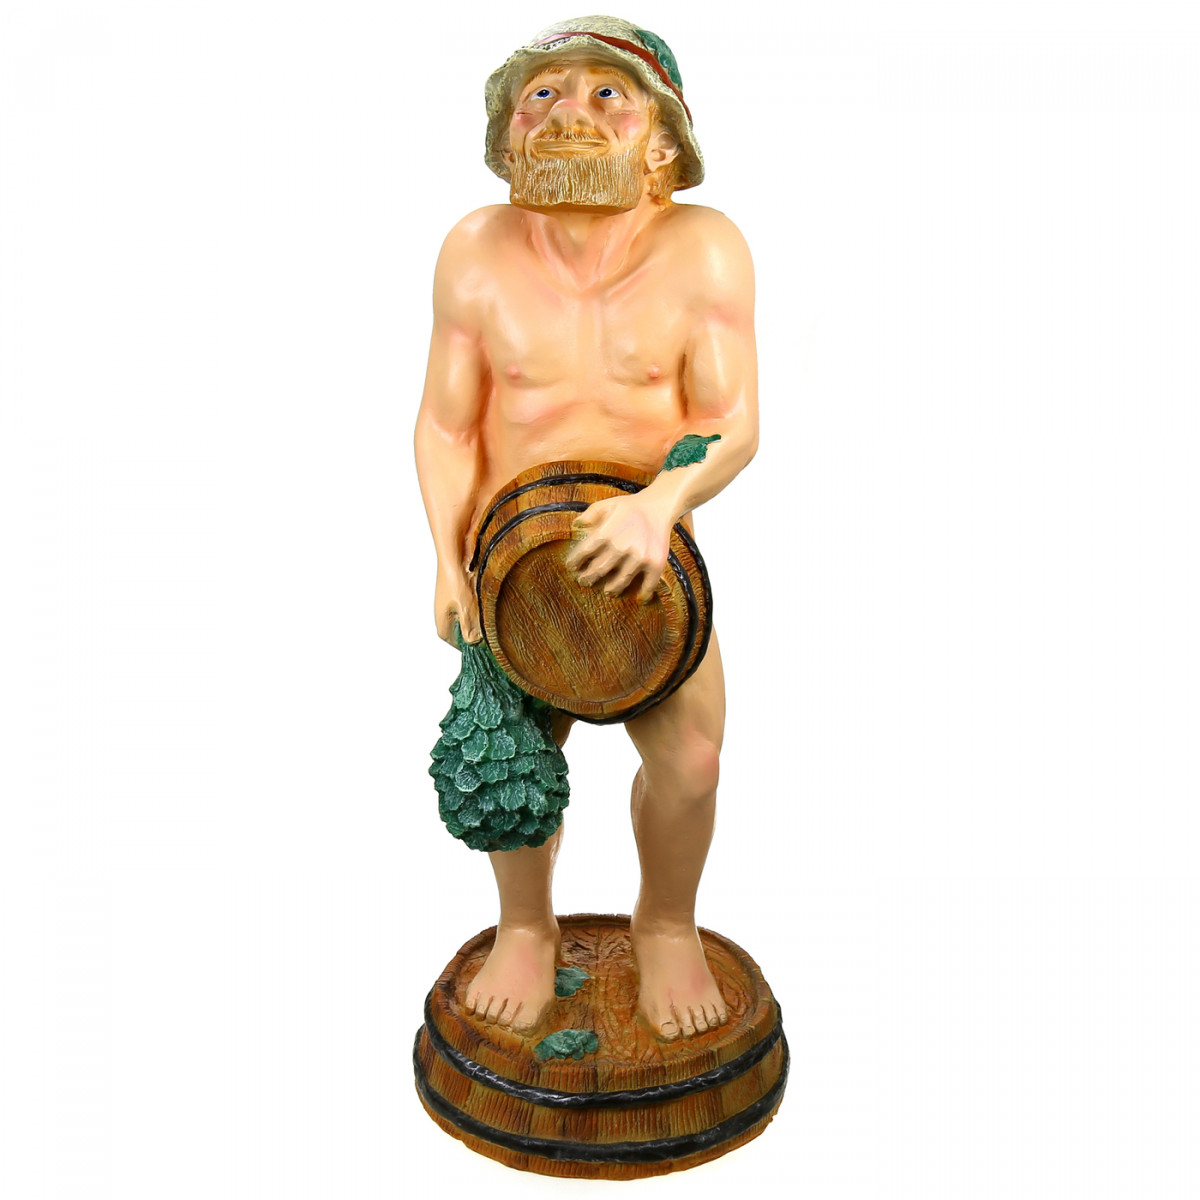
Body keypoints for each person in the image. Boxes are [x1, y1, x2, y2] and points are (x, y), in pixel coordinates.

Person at [414, 17, 758, 1040]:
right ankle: (525, 926)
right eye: (544, 94)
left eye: (608, 93)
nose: (571, 112)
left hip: (652, 565)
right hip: (510, 565)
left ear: (664, 139)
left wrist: (660, 505)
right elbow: (446, 423)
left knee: (692, 764)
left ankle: (666, 924)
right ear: (507, 133)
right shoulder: (475, 250)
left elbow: (731, 421)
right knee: (508, 763)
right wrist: (446, 558)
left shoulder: (705, 249)